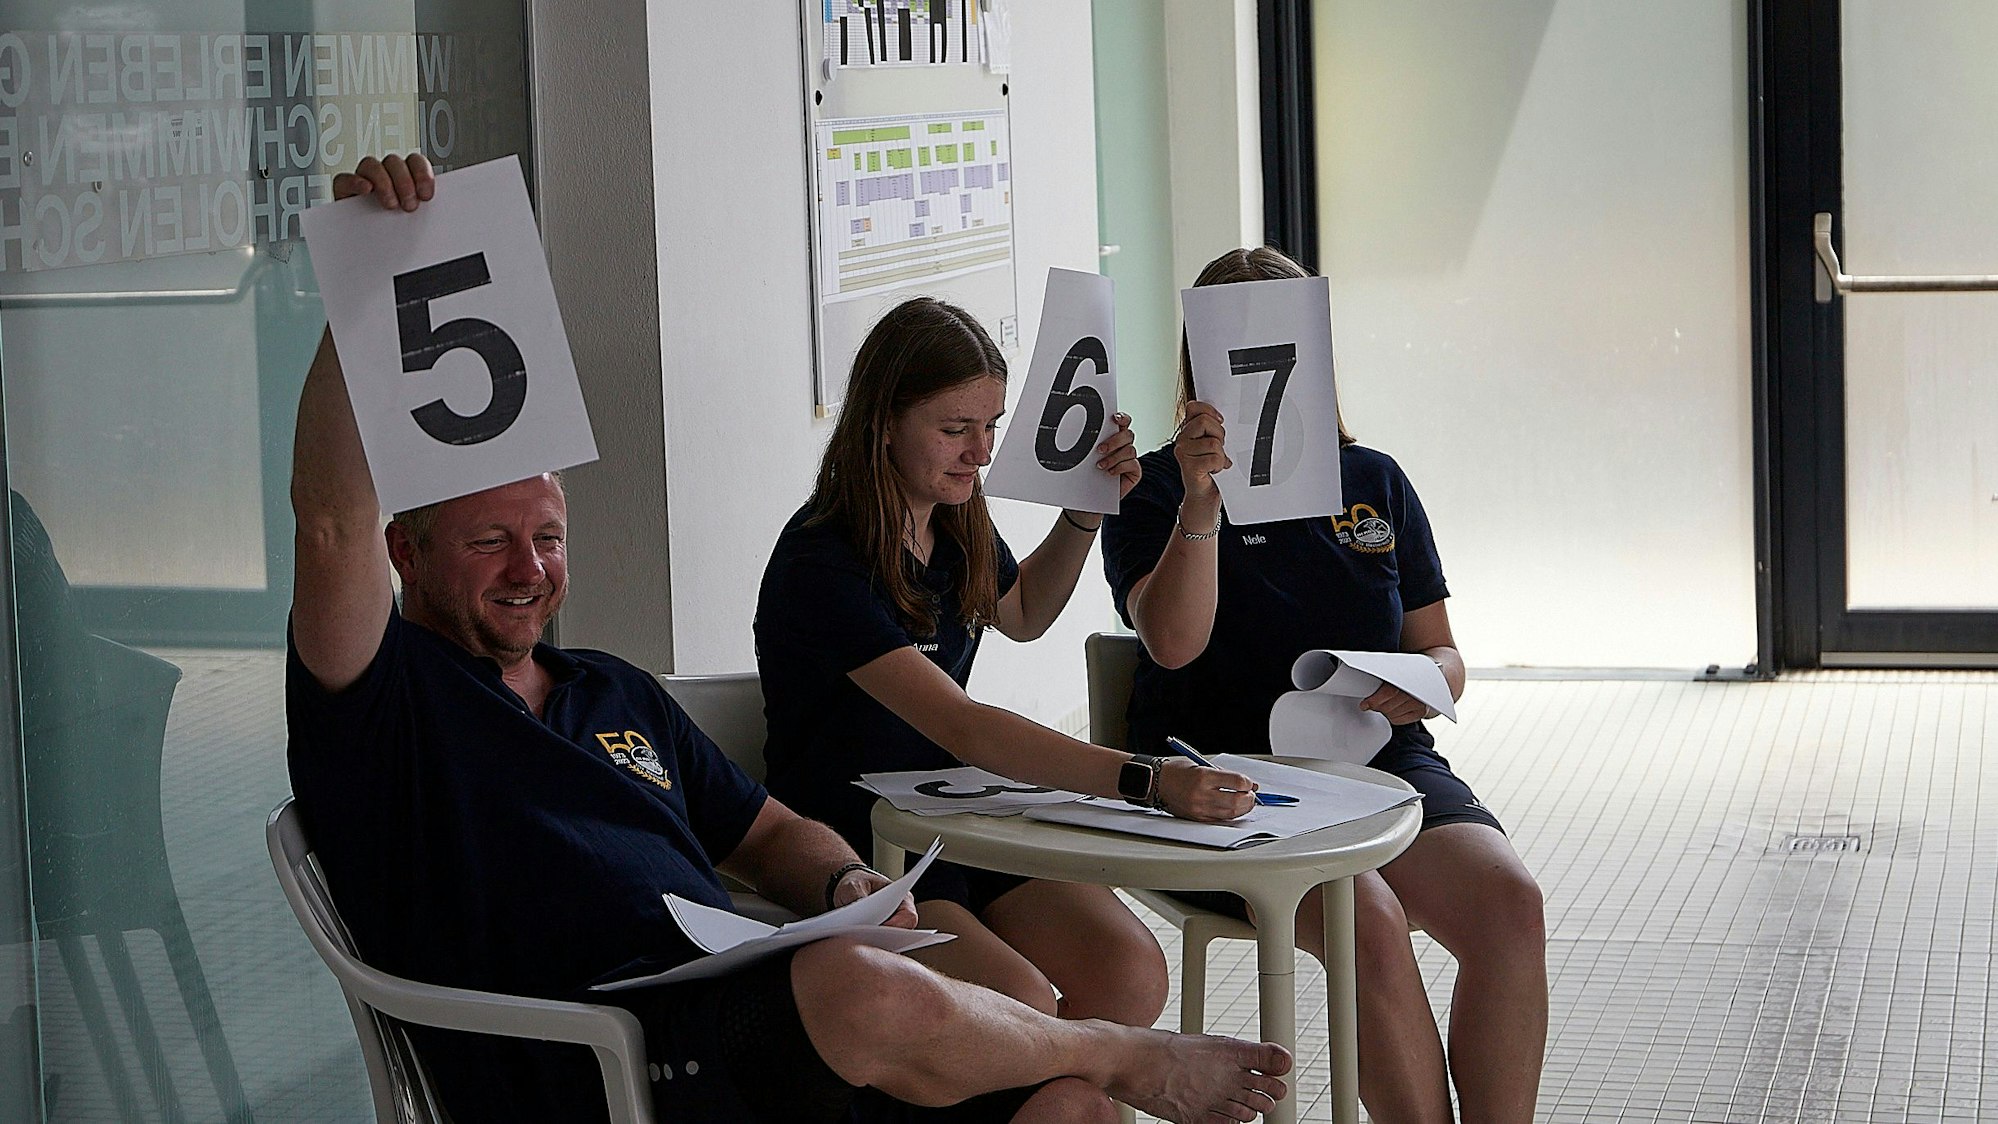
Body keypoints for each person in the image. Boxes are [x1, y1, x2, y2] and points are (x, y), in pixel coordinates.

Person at [287, 152, 1292, 1124]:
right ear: (405, 556)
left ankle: (1097, 1063)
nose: (529, 566)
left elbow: (765, 832)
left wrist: (841, 881)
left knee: (1059, 1098)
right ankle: (1133, 1057)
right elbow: (329, 521)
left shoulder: (613, 690)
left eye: (546, 535)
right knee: (882, 992)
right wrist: (365, 289)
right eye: (489, 541)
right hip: (606, 1051)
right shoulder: (388, 701)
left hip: (743, 1015)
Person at [1100, 247, 1548, 1124]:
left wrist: (1422, 684)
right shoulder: (1152, 488)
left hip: (1373, 769)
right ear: (1203, 362)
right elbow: (1173, 645)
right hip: (1218, 779)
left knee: (1510, 904)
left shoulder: (1372, 480)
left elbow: (1444, 651)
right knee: (1366, 917)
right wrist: (1203, 505)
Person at [756, 297, 1260, 1028]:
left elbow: (1022, 612)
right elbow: (967, 729)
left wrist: (1084, 514)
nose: (981, 451)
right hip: (860, 841)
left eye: (990, 425)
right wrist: (1146, 779)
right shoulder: (820, 562)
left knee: (1129, 972)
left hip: (953, 817)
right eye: (956, 430)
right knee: (1016, 1005)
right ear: (881, 425)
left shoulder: (953, 520)